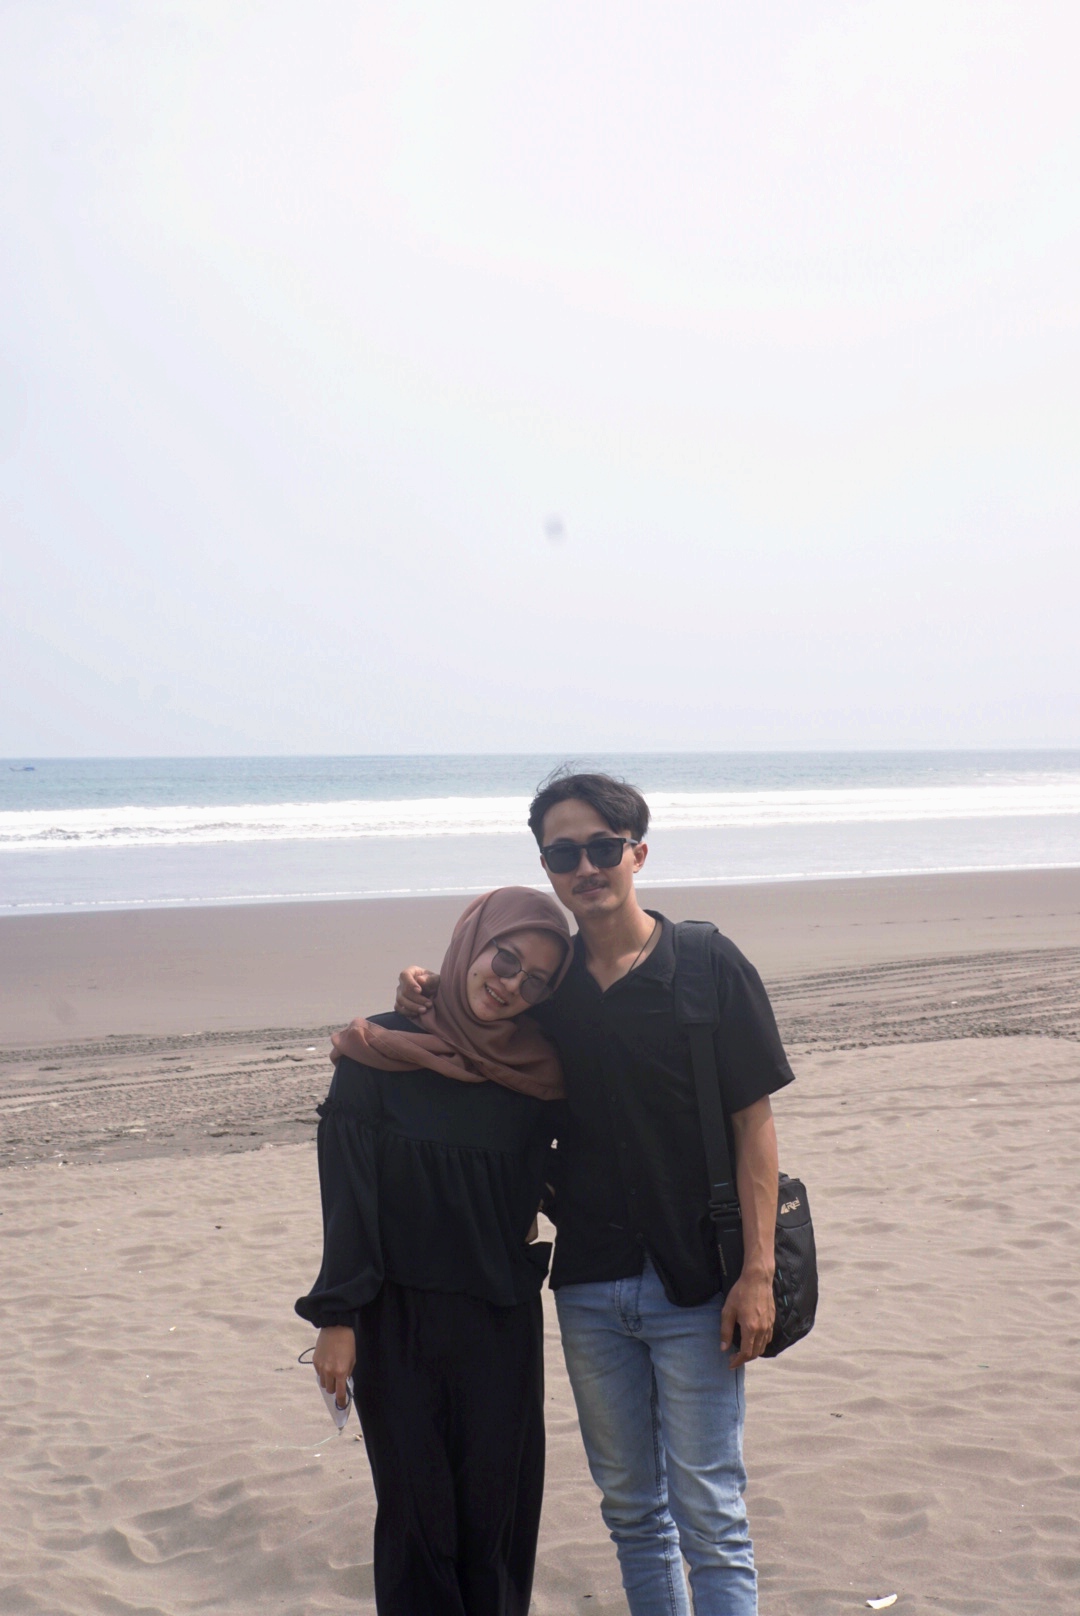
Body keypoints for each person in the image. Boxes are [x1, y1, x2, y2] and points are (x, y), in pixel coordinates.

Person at [397, 772, 795, 1616]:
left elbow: (754, 1126)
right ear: (546, 868)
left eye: (602, 848)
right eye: (563, 854)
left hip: (699, 1283)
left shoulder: (706, 965)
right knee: (632, 1513)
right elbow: (477, 1035)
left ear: (637, 854)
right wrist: (423, 993)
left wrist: (757, 1272)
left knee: (711, 1513)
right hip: (586, 1286)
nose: (585, 868)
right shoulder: (550, 989)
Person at [295, 886, 572, 1616]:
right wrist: (337, 1317)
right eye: (504, 960)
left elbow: (573, 1173)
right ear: (472, 943)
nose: (510, 985)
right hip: (398, 1321)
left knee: (497, 1517)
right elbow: (348, 1195)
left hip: (500, 1323)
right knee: (418, 1519)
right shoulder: (377, 1050)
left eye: (534, 982)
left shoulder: (540, 1074)